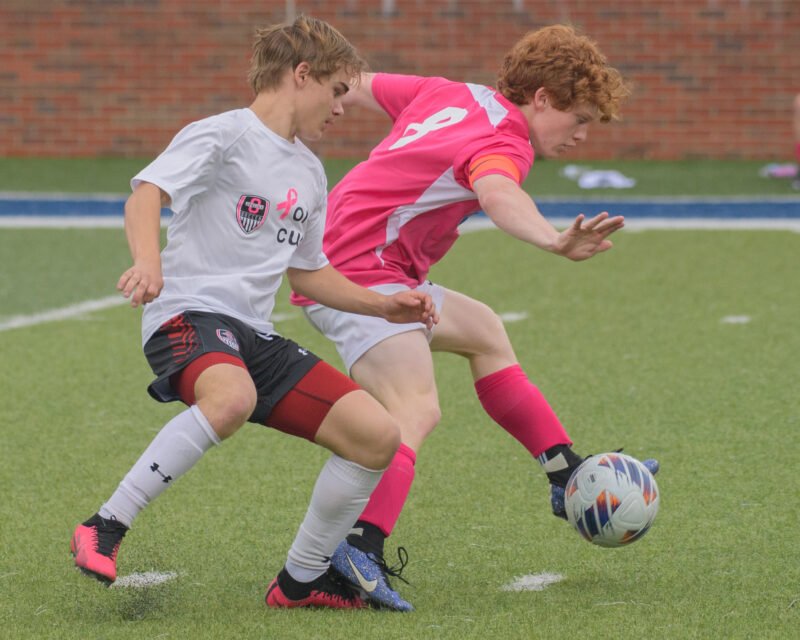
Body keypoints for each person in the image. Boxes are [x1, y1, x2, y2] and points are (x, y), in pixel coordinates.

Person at [69, 14, 438, 611]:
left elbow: (308, 272)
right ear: (302, 74)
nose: (343, 109)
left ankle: (299, 581)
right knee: (230, 398)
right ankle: (104, 525)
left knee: (378, 437)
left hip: (253, 335)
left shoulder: (311, 173)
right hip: (187, 314)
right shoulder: (223, 134)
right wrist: (150, 262)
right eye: (338, 91)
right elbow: (146, 195)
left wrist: (385, 305)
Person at [290, 24, 659, 611]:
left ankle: (564, 473)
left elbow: (354, 84)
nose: (583, 134)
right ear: (542, 98)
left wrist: (296, 93)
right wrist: (550, 239)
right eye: (580, 117)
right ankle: (359, 545)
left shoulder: (446, 91)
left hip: (367, 262)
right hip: (360, 270)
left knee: (485, 331)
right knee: (414, 408)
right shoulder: (506, 140)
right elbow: (497, 194)